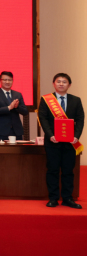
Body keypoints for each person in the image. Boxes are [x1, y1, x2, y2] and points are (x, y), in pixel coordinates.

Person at [38, 73, 84, 209]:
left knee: (68, 171)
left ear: (69, 85)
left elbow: (80, 119)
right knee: (52, 170)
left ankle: (67, 198)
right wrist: (50, 135)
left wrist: (76, 136)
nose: (61, 84)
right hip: (52, 141)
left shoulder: (76, 100)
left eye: (64, 82)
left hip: (70, 142)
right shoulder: (46, 100)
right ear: (54, 84)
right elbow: (43, 118)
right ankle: (53, 198)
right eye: (58, 81)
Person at [0, 71, 29, 141]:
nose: (7, 82)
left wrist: (17, 107)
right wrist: (8, 108)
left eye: (9, 80)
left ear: (12, 81)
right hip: (1, 131)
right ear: (0, 81)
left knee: (18, 148)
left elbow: (25, 112)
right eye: (5, 80)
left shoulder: (18, 94)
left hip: (16, 131)